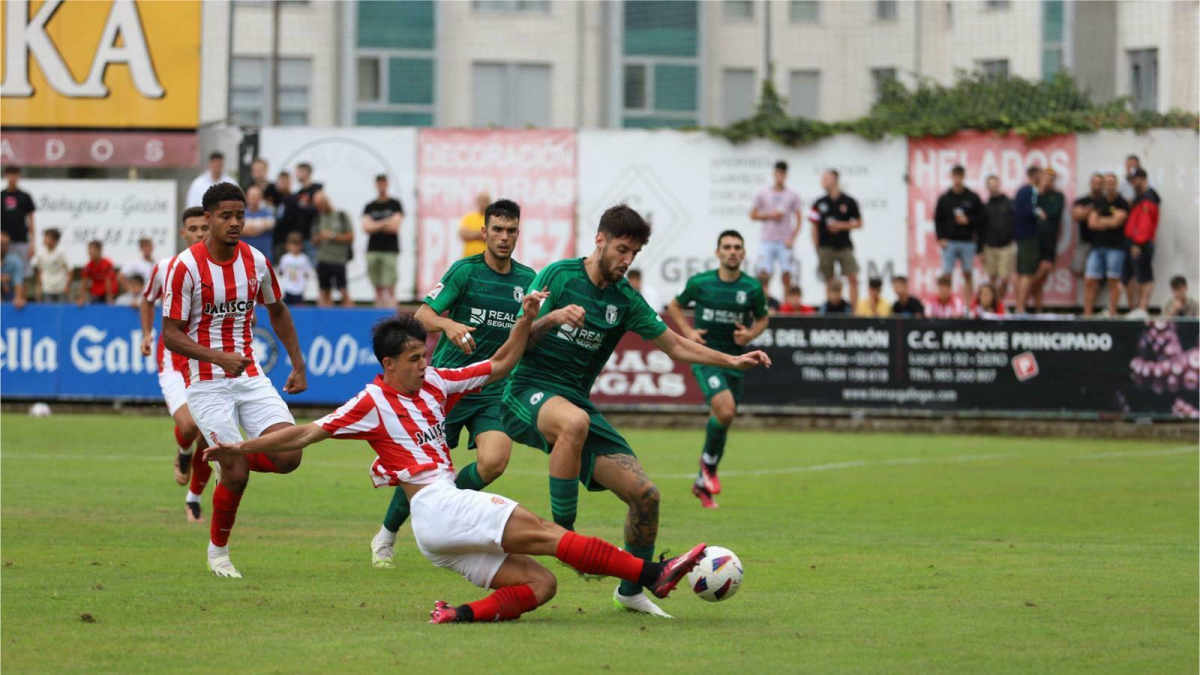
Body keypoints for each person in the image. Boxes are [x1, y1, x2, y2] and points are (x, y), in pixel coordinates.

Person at [204, 312, 707, 624]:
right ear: (388, 364)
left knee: (541, 586)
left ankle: (457, 615)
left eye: (424, 355)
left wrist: (527, 319)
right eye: (415, 358)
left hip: (435, 531)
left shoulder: (438, 382)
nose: (425, 364)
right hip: (435, 503)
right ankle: (655, 573)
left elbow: (502, 364)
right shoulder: (370, 401)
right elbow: (305, 433)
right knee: (550, 533)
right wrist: (241, 448)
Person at [499, 205, 771, 618]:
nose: (627, 260)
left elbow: (676, 345)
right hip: (526, 390)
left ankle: (631, 590)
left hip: (575, 400)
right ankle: (566, 538)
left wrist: (733, 361)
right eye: (622, 249)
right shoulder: (557, 276)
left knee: (645, 496)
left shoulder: (625, 299)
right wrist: (551, 317)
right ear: (600, 240)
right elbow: (518, 338)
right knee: (574, 422)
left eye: (635, 253)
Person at [372, 199, 536, 568]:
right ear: (484, 232)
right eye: (497, 230)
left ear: (518, 233)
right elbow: (422, 315)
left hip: (493, 389)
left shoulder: (527, 280)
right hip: (448, 389)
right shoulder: (465, 271)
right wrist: (448, 324)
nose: (504, 237)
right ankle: (386, 533)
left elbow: (531, 330)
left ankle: (443, 507)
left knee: (494, 462)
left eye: (511, 231)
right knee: (423, 469)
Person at [161, 182, 308, 579]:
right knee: (237, 475)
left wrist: (297, 362)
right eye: (226, 215)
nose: (235, 222)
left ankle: (231, 454)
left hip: (250, 374)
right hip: (206, 380)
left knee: (290, 454)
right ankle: (218, 552)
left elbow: (277, 310)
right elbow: (170, 333)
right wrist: (217, 357)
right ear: (207, 219)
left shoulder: (256, 261)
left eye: (240, 215)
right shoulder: (185, 267)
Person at [667, 230, 769, 510]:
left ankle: (702, 482)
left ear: (743, 253)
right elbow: (674, 305)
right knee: (725, 410)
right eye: (727, 247)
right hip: (706, 357)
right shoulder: (701, 283)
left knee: (723, 419)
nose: (732, 251)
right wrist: (688, 331)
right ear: (718, 252)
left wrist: (748, 335)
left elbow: (763, 318)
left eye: (737, 247)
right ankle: (708, 469)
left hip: (735, 362)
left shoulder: (751, 288)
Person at [140, 206, 214, 522]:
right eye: (193, 228)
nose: (199, 233)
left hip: (210, 359)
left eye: (203, 228)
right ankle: (183, 454)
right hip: (173, 357)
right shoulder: (166, 267)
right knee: (188, 425)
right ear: (183, 233)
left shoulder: (224, 269)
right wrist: (146, 333)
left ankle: (193, 499)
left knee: (212, 436)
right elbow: (147, 298)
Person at [807, 169, 862, 306]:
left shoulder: (849, 201)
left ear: (835, 179)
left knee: (852, 277)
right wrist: (817, 247)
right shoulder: (818, 202)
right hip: (825, 246)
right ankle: (830, 309)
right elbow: (813, 226)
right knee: (829, 280)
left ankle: (854, 312)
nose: (823, 181)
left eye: (826, 178)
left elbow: (859, 223)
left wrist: (841, 226)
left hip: (844, 245)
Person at [750, 161, 803, 295]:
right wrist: (769, 215)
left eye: (783, 174)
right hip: (767, 239)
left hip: (784, 241)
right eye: (778, 173)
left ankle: (786, 306)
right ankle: (765, 303)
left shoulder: (792, 194)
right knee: (764, 274)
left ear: (786, 175)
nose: (780, 176)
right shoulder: (763, 193)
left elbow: (799, 218)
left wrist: (792, 238)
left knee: (786, 274)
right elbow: (752, 214)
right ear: (774, 174)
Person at [934, 165, 984, 302]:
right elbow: (938, 220)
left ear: (963, 177)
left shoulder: (972, 197)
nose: (957, 179)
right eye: (955, 176)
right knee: (946, 275)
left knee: (968, 273)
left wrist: (968, 220)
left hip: (967, 241)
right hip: (949, 242)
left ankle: (967, 306)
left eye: (959, 176)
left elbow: (981, 219)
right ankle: (947, 304)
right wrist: (940, 238)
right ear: (952, 177)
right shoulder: (945, 198)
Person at [1083, 173, 1129, 317]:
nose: (1109, 186)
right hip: (1097, 247)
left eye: (1112, 183)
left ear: (1116, 184)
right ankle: (1087, 314)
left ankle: (1112, 312)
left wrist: (1101, 221)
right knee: (1090, 279)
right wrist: (1108, 221)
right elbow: (1091, 223)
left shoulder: (1121, 202)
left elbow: (1117, 222)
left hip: (1116, 247)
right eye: (1107, 183)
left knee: (1113, 280)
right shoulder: (1099, 202)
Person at [1122, 168, 1160, 318]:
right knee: (1130, 277)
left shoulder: (1148, 197)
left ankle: (1142, 309)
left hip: (1141, 243)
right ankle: (1135, 309)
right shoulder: (1139, 198)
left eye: (1135, 179)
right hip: (1134, 242)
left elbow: (1145, 224)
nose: (1133, 182)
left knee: (1143, 276)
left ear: (1143, 178)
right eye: (1131, 179)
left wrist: (1138, 243)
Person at [362, 174, 403, 308]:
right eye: (379, 183)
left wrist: (376, 224)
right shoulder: (370, 206)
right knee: (377, 284)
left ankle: (392, 309)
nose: (381, 186)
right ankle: (378, 309)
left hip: (389, 249)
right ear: (376, 185)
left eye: (383, 183)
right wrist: (386, 222)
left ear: (387, 184)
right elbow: (366, 227)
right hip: (373, 249)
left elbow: (395, 226)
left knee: (390, 283)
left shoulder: (395, 204)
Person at [312, 189, 354, 308]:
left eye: (321, 205)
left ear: (327, 202)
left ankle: (350, 316)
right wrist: (319, 237)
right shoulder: (318, 219)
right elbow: (313, 239)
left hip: (338, 259)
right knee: (324, 291)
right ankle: (326, 318)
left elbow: (350, 236)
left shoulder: (341, 216)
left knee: (343, 290)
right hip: (323, 259)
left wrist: (332, 236)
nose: (320, 208)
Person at [1029, 168, 1064, 312]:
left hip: (1049, 239)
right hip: (1032, 240)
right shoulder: (1034, 194)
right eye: (1045, 178)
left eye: (1050, 178)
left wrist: (1042, 213)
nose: (1048, 181)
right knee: (1033, 271)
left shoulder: (1058, 196)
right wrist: (1040, 192)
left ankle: (1026, 291)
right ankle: (1037, 307)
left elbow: (1053, 212)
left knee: (1044, 269)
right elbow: (1030, 211)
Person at [1012, 166, 1043, 313]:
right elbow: (1028, 211)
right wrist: (1039, 214)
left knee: (1020, 272)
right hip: (1028, 237)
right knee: (1027, 272)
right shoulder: (1030, 191)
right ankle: (1020, 307)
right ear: (1035, 175)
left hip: (1020, 236)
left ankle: (1019, 305)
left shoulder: (1020, 191)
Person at [981, 174, 1015, 301]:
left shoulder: (1009, 203)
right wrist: (981, 249)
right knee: (991, 279)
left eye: (995, 184)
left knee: (1005, 279)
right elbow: (981, 228)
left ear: (999, 185)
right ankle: (992, 303)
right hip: (990, 246)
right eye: (990, 185)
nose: (993, 187)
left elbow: (1014, 222)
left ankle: (999, 301)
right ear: (987, 187)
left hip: (1005, 246)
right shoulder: (985, 206)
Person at [2, 165, 36, 287]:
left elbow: (31, 221)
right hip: (4, 243)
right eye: (10, 174)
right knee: (5, 272)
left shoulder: (25, 197)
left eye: (15, 175)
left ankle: (21, 299)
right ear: (6, 176)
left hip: (22, 240)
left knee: (24, 272)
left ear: (18, 176)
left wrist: (32, 243)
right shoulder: (1, 196)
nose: (12, 178)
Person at [1071, 173, 1104, 282]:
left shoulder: (1106, 201)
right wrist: (1093, 212)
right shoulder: (1082, 200)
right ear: (1091, 184)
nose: (1097, 186)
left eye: (1099, 183)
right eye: (1095, 183)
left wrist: (1086, 212)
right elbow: (1076, 216)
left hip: (1101, 242)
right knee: (1077, 269)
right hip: (1085, 240)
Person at [33, 228, 70, 303]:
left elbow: (69, 270)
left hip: (61, 288)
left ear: (54, 240)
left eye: (47, 237)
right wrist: (39, 288)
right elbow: (40, 271)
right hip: (47, 288)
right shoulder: (41, 254)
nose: (45, 239)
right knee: (48, 312)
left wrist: (67, 285)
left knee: (62, 311)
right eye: (45, 237)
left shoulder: (62, 253)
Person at [277, 232, 314, 306]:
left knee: (299, 308)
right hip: (288, 288)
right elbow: (281, 272)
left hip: (299, 289)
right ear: (287, 246)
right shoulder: (285, 259)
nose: (295, 247)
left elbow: (307, 273)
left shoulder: (304, 259)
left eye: (297, 245)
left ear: (301, 246)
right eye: (292, 245)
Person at [77, 240, 117, 306]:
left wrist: (109, 297)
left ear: (99, 250)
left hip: (109, 293)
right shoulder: (88, 266)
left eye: (92, 251)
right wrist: (81, 298)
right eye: (89, 251)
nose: (90, 253)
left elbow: (108, 280)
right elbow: (84, 282)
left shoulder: (107, 264)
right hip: (96, 294)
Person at [241, 185, 276, 257]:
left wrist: (247, 227)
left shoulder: (268, 213)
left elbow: (271, 224)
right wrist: (260, 226)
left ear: (261, 197)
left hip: (264, 255)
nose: (254, 198)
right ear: (246, 197)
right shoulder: (240, 214)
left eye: (256, 196)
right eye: (252, 196)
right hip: (246, 256)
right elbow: (239, 229)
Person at [459, 193, 489, 259]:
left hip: (486, 261)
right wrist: (481, 234)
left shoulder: (492, 218)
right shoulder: (469, 217)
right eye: (481, 201)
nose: (483, 204)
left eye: (485, 201)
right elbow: (463, 234)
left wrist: (471, 233)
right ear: (477, 202)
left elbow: (491, 236)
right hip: (468, 260)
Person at [1, 231, 27, 308]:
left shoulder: (15, 261)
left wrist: (18, 298)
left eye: (4, 245)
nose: (1, 247)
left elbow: (18, 281)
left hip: (9, 296)